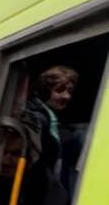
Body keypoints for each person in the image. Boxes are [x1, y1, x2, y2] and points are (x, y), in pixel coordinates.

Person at [25, 65, 82, 196]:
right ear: (44, 91)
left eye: (70, 91)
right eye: (59, 90)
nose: (66, 96)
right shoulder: (36, 118)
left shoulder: (55, 118)